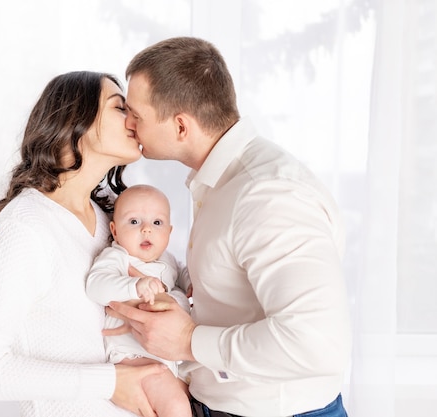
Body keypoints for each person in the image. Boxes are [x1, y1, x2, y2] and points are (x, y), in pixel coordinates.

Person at [108, 37, 352, 417]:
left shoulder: (266, 194)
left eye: (137, 115)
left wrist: (190, 342)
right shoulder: (223, 181)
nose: (128, 123)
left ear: (181, 126)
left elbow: (316, 344)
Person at [0, 71, 171, 417]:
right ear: (75, 119)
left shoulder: (109, 221)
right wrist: (110, 382)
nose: (134, 118)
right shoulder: (27, 225)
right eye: (119, 107)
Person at [86, 184, 192, 417]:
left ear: (169, 232)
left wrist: (191, 281)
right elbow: (96, 285)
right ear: (114, 230)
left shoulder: (168, 260)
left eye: (157, 223)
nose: (146, 230)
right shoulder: (117, 256)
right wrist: (134, 286)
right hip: (134, 358)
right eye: (134, 222)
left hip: (167, 356)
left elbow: (182, 276)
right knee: (176, 407)